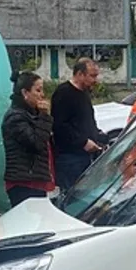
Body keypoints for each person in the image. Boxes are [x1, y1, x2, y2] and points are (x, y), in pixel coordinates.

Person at [51, 57, 109, 190]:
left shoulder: (84, 93)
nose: (95, 80)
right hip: (70, 158)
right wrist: (83, 142)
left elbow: (85, 121)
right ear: (79, 74)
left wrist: (98, 135)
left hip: (85, 156)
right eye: (92, 76)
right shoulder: (64, 93)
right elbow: (60, 126)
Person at [2, 71, 56, 207]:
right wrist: (44, 117)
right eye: (38, 90)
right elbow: (36, 143)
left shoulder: (31, 114)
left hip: (36, 180)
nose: (42, 95)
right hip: (24, 183)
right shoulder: (15, 117)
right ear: (25, 93)